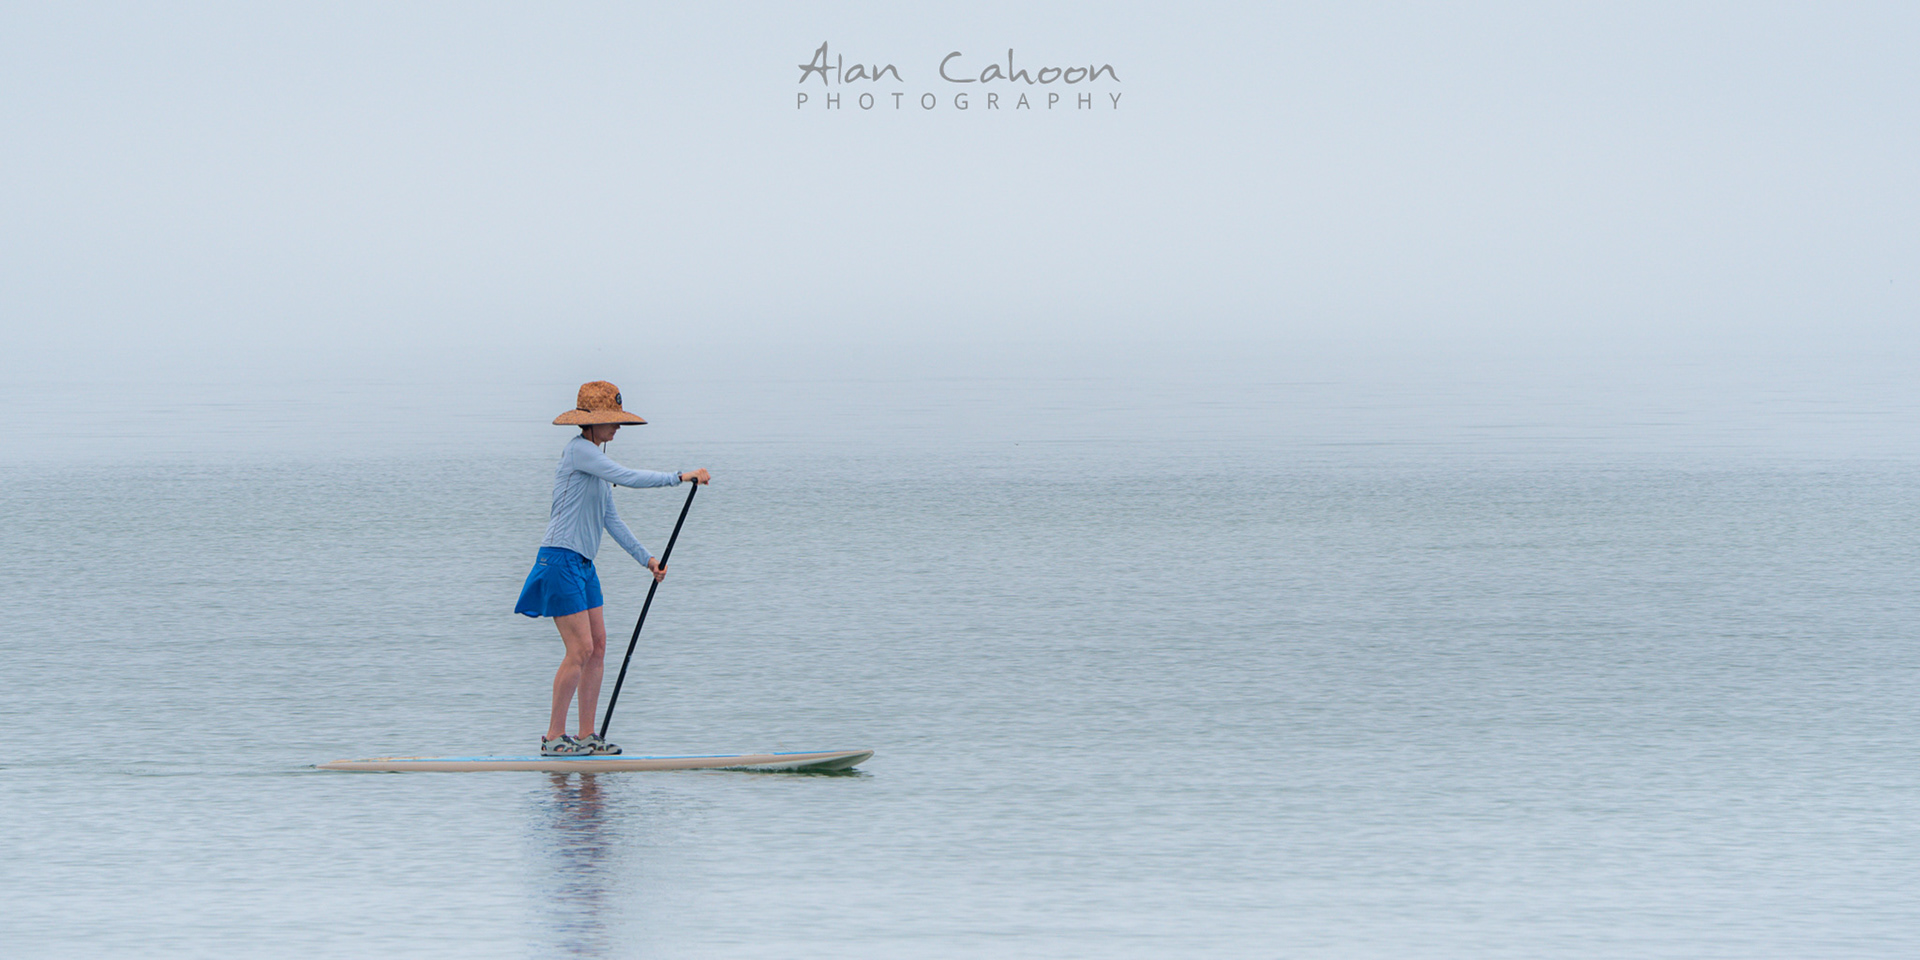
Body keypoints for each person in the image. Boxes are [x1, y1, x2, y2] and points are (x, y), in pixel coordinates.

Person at [514, 381, 711, 756]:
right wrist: (679, 476)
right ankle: (554, 737)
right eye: (612, 421)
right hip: (559, 559)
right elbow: (628, 477)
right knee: (579, 649)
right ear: (590, 424)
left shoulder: (596, 464)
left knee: (599, 647)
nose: (618, 428)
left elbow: (611, 520)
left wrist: (647, 559)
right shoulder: (580, 452)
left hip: (583, 564)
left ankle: (587, 736)